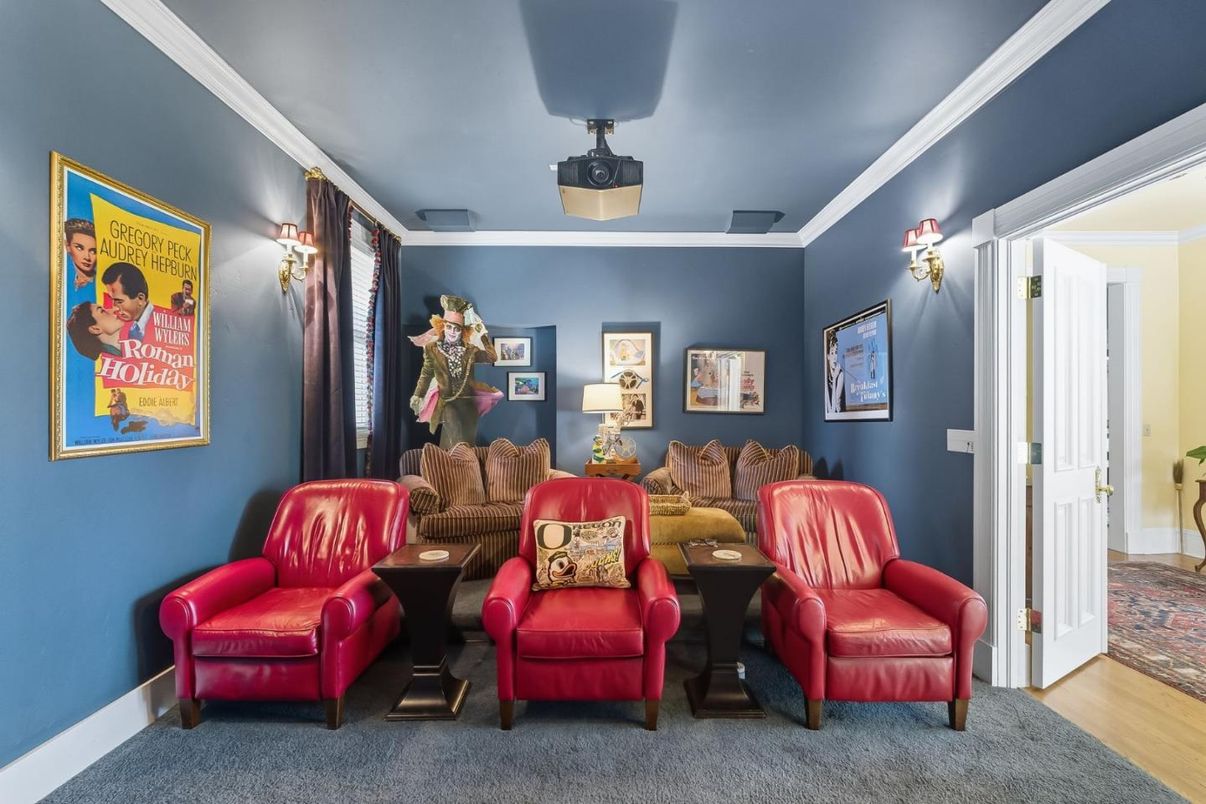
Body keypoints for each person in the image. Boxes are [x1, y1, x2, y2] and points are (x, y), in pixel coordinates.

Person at [409, 294, 502, 448]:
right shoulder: (433, 348)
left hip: (468, 404)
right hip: (447, 403)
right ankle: (450, 467)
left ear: (462, 331)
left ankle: (456, 469)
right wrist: (418, 394)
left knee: (466, 444)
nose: (452, 332)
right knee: (455, 438)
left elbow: (492, 357)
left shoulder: (469, 350)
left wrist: (483, 334)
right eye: (449, 327)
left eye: (456, 329)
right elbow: (426, 373)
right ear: (443, 327)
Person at [101, 262, 155, 341]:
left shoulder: (155, 324)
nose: (115, 308)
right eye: (112, 300)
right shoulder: (134, 328)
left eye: (119, 301)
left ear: (140, 299)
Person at [63, 219, 97, 292]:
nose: (87, 257)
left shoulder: (98, 285)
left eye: (93, 251)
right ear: (67, 246)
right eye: (79, 248)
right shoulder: (67, 279)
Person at [825, 330, 846, 415]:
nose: (834, 357)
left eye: (836, 352)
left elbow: (835, 410)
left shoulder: (840, 374)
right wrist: (833, 378)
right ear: (828, 356)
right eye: (832, 353)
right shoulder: (827, 377)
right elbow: (829, 410)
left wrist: (835, 378)